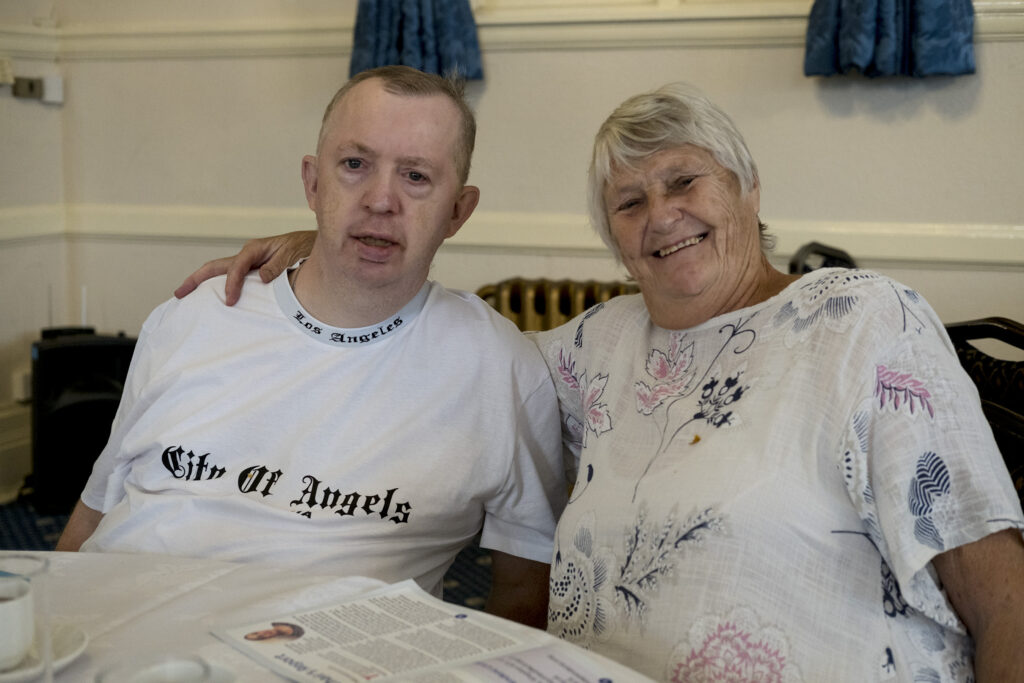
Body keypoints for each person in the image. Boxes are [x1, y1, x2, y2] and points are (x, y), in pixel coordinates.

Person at [174, 83, 1024, 682]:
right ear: (614, 239)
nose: (661, 215)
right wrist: (322, 243)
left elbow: (1000, 593)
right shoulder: (593, 348)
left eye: (685, 180)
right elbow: (433, 347)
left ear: (748, 189)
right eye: (627, 201)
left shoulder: (862, 319)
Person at [56, 65, 567, 629]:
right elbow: (95, 511)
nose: (380, 200)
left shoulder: (502, 372)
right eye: (354, 165)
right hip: (109, 636)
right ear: (312, 182)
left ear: (458, 211)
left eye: (416, 176)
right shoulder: (194, 314)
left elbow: (526, 585)